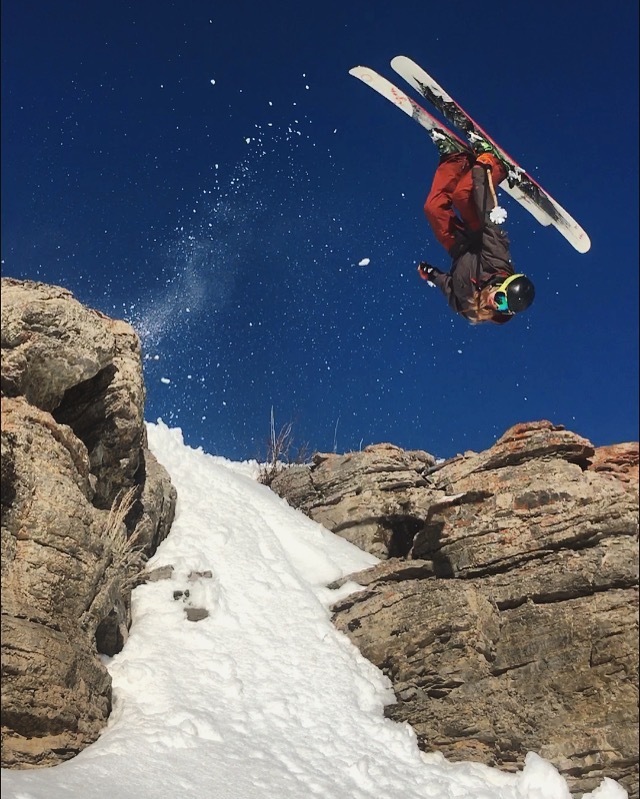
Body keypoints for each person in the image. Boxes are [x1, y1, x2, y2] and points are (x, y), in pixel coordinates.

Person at [417, 143, 535, 325]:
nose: (496, 304)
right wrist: (482, 168)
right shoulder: (497, 261)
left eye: (502, 308)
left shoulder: (471, 310)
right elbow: (487, 217)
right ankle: (498, 166)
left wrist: (432, 274)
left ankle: (455, 158)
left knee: (433, 209)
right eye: (501, 299)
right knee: (463, 196)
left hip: (458, 246)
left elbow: (450, 290)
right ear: (501, 285)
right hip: (478, 231)